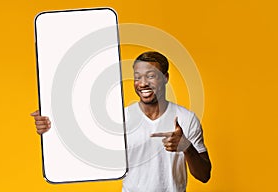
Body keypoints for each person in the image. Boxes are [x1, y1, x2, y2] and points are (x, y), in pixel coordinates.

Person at [31, 51, 211, 192]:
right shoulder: (121, 120)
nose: (142, 83)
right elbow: (82, 145)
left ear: (165, 78)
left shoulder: (187, 119)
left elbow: (204, 176)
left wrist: (186, 147)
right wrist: (50, 127)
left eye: (150, 76)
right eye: (137, 77)